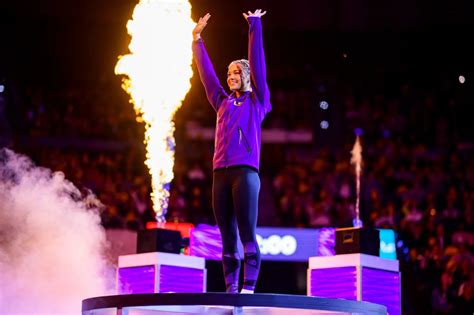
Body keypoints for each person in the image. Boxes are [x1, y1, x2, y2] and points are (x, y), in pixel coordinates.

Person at [192, 9, 271, 294]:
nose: (230, 76)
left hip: (245, 174)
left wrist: (255, 26)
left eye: (237, 72)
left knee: (247, 235)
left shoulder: (257, 101)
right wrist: (197, 41)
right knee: (227, 238)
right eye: (229, 73)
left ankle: (248, 289)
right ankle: (230, 291)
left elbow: (258, 64)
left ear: (247, 77)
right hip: (220, 175)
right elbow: (207, 76)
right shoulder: (222, 103)